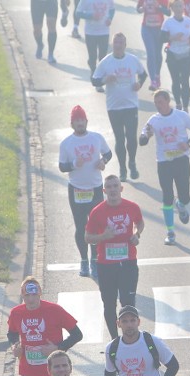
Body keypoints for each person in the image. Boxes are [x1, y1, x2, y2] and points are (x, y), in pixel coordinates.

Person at [85, 175, 145, 339]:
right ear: (104, 190)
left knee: (128, 303)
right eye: (109, 187)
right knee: (109, 304)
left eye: (115, 186)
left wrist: (136, 233)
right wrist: (103, 236)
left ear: (121, 189)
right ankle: (115, 340)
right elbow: (88, 237)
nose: (112, 190)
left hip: (128, 263)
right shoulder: (97, 212)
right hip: (106, 265)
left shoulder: (132, 207)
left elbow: (139, 222)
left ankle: (131, 338)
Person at [139, 89, 190, 245]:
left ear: (168, 101)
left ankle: (180, 205)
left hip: (181, 160)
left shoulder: (181, 116)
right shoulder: (154, 120)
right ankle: (170, 231)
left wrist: (188, 143)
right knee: (167, 197)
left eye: (160, 102)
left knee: (184, 196)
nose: (158, 105)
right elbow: (142, 139)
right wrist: (146, 136)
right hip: (164, 162)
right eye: (156, 103)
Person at [58, 105, 113, 278]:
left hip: (95, 188)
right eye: (77, 121)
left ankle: (95, 260)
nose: (80, 123)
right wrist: (74, 164)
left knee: (95, 226)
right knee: (81, 226)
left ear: (86, 121)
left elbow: (108, 153)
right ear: (72, 124)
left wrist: (103, 160)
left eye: (82, 120)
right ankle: (83, 260)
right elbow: (61, 166)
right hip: (76, 189)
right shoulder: (66, 143)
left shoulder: (96, 138)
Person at [91, 33, 148, 182]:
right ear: (113, 44)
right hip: (114, 106)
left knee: (131, 137)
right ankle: (122, 169)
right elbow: (94, 80)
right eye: (116, 43)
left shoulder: (132, 60)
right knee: (119, 138)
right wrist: (105, 79)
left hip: (130, 104)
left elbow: (143, 75)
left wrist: (139, 84)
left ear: (125, 45)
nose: (118, 45)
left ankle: (132, 163)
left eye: (121, 43)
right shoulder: (106, 62)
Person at [161, 0, 190, 113]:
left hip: (186, 54)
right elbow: (161, 38)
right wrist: (173, 38)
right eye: (176, 6)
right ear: (172, 8)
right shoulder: (168, 23)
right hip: (173, 54)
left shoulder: (188, 20)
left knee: (185, 81)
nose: (178, 8)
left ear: (183, 7)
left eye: (180, 6)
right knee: (176, 80)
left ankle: (185, 106)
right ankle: (178, 103)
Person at [77, 0, 115, 91]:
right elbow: (78, 13)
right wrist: (91, 16)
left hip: (104, 31)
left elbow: (112, 9)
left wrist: (110, 18)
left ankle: (99, 81)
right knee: (92, 56)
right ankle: (93, 70)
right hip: (90, 32)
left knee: (103, 57)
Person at [137, 0, 171, 91]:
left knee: (157, 54)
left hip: (159, 29)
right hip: (146, 28)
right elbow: (138, 8)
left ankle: (157, 75)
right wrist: (142, 9)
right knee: (150, 54)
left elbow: (168, 12)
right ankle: (153, 81)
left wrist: (158, 6)